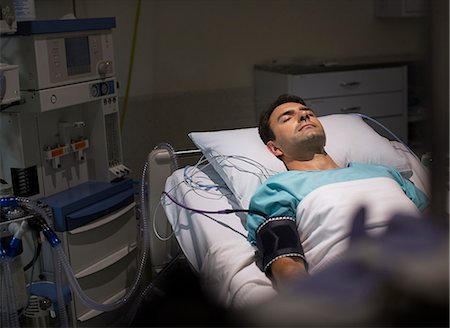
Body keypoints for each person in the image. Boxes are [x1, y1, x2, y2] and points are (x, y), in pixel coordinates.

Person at [246, 94, 429, 288]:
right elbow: (286, 263)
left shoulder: (383, 172)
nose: (304, 116)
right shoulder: (277, 189)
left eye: (308, 113)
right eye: (287, 118)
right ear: (275, 148)